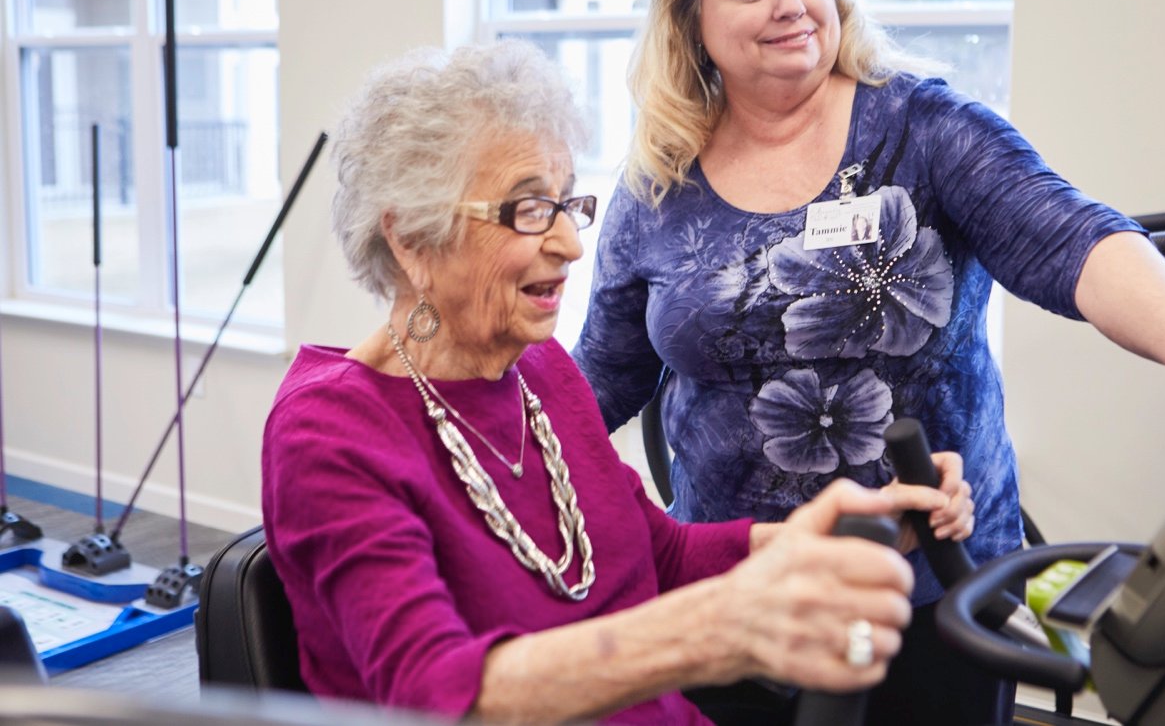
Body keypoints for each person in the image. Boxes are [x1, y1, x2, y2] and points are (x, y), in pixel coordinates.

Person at [572, 0, 1165, 725]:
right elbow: (598, 379)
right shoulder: (661, 180)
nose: (793, 5)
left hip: (931, 586)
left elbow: (1071, 238)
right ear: (692, 22)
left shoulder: (924, 127)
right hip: (747, 594)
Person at [261, 39, 977, 725]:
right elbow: (434, 694)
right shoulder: (329, 433)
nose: (571, 244)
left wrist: (824, 537)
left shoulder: (539, 371)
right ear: (412, 240)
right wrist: (724, 625)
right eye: (527, 208)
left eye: (569, 204)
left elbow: (655, 554)